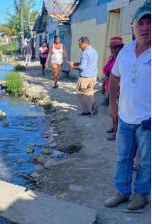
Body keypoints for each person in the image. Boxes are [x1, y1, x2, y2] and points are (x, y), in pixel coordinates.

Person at [105, 3, 151, 210]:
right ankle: (122, 192)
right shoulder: (125, 52)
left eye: (150, 22)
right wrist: (112, 105)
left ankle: (141, 195)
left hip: (147, 121)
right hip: (124, 118)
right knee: (123, 158)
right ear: (132, 27)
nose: (145, 27)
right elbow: (114, 78)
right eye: (140, 22)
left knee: (147, 162)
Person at [68, 36, 98, 116]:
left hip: (85, 77)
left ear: (85, 43)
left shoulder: (85, 53)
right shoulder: (94, 51)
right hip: (93, 77)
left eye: (80, 45)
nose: (79, 47)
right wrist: (74, 63)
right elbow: (86, 63)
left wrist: (72, 67)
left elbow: (82, 67)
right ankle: (93, 105)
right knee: (90, 92)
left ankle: (86, 111)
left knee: (80, 93)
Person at [101, 36, 124, 141]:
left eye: (113, 48)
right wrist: (103, 85)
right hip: (110, 87)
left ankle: (116, 133)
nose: (111, 50)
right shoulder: (111, 58)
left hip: (118, 90)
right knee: (112, 110)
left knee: (117, 111)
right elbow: (107, 72)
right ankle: (113, 127)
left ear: (118, 48)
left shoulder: (122, 59)